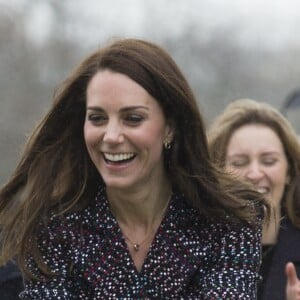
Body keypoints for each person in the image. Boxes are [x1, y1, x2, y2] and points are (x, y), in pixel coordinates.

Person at [0, 38, 264, 299]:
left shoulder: (228, 221)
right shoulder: (54, 228)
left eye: (133, 119)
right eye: (97, 118)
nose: (111, 136)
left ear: (169, 127)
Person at [207, 98, 300, 300]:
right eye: (239, 163)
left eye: (269, 161)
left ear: (289, 171)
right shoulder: (190, 251)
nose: (255, 173)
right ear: (216, 173)